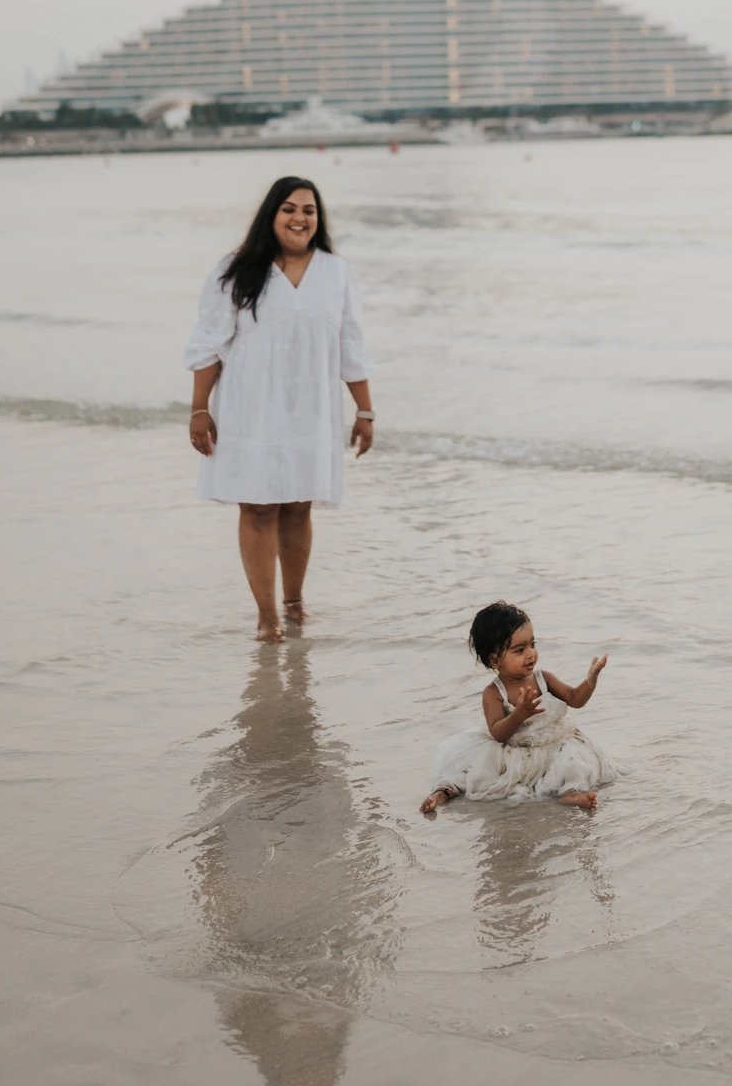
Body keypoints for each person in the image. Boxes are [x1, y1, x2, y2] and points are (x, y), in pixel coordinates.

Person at [185, 175, 374, 642]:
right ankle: (267, 617)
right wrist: (198, 409)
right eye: (289, 208)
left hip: (311, 407)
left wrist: (365, 412)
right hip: (251, 405)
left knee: (297, 504)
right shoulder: (236, 270)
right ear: (272, 214)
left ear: (318, 219)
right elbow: (208, 342)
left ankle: (295, 601)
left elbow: (352, 345)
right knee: (258, 506)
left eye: (309, 210)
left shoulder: (335, 272)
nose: (299, 218)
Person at [421, 601, 614, 813]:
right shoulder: (494, 692)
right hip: (514, 750)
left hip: (553, 744)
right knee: (473, 773)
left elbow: (575, 699)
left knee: (573, 762)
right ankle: (442, 793)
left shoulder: (544, 679)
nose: (531, 654)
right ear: (495, 660)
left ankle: (571, 793)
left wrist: (590, 681)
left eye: (533, 644)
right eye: (519, 650)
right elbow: (499, 734)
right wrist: (519, 714)